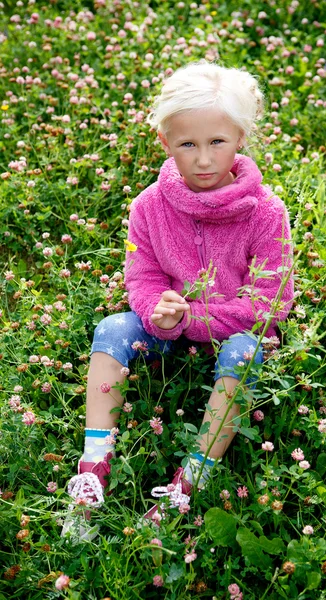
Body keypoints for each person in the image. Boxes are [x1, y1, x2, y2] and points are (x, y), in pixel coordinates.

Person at [62, 60, 294, 534]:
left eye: (217, 143)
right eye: (187, 144)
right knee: (113, 327)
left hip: (237, 335)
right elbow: (142, 276)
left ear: (240, 139)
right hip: (168, 333)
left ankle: (192, 478)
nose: (204, 159)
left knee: (245, 353)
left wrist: (192, 319)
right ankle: (93, 466)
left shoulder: (267, 212)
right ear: (165, 143)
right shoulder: (148, 205)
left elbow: (271, 305)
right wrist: (156, 310)